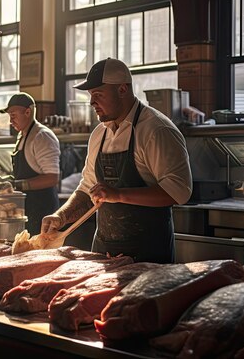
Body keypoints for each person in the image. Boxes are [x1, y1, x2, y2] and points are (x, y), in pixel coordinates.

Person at [40, 58, 192, 263]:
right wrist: (61, 216)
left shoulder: (156, 130)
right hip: (104, 250)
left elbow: (179, 191)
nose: (92, 102)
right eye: (91, 95)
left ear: (122, 89)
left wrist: (118, 194)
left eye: (98, 94)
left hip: (148, 254)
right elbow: (87, 189)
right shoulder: (99, 134)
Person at [0, 92, 60, 235]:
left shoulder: (42, 136)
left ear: (27, 112)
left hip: (42, 211)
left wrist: (17, 185)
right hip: (27, 210)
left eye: (13, 115)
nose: (11, 121)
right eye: (9, 116)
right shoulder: (22, 135)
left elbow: (52, 178)